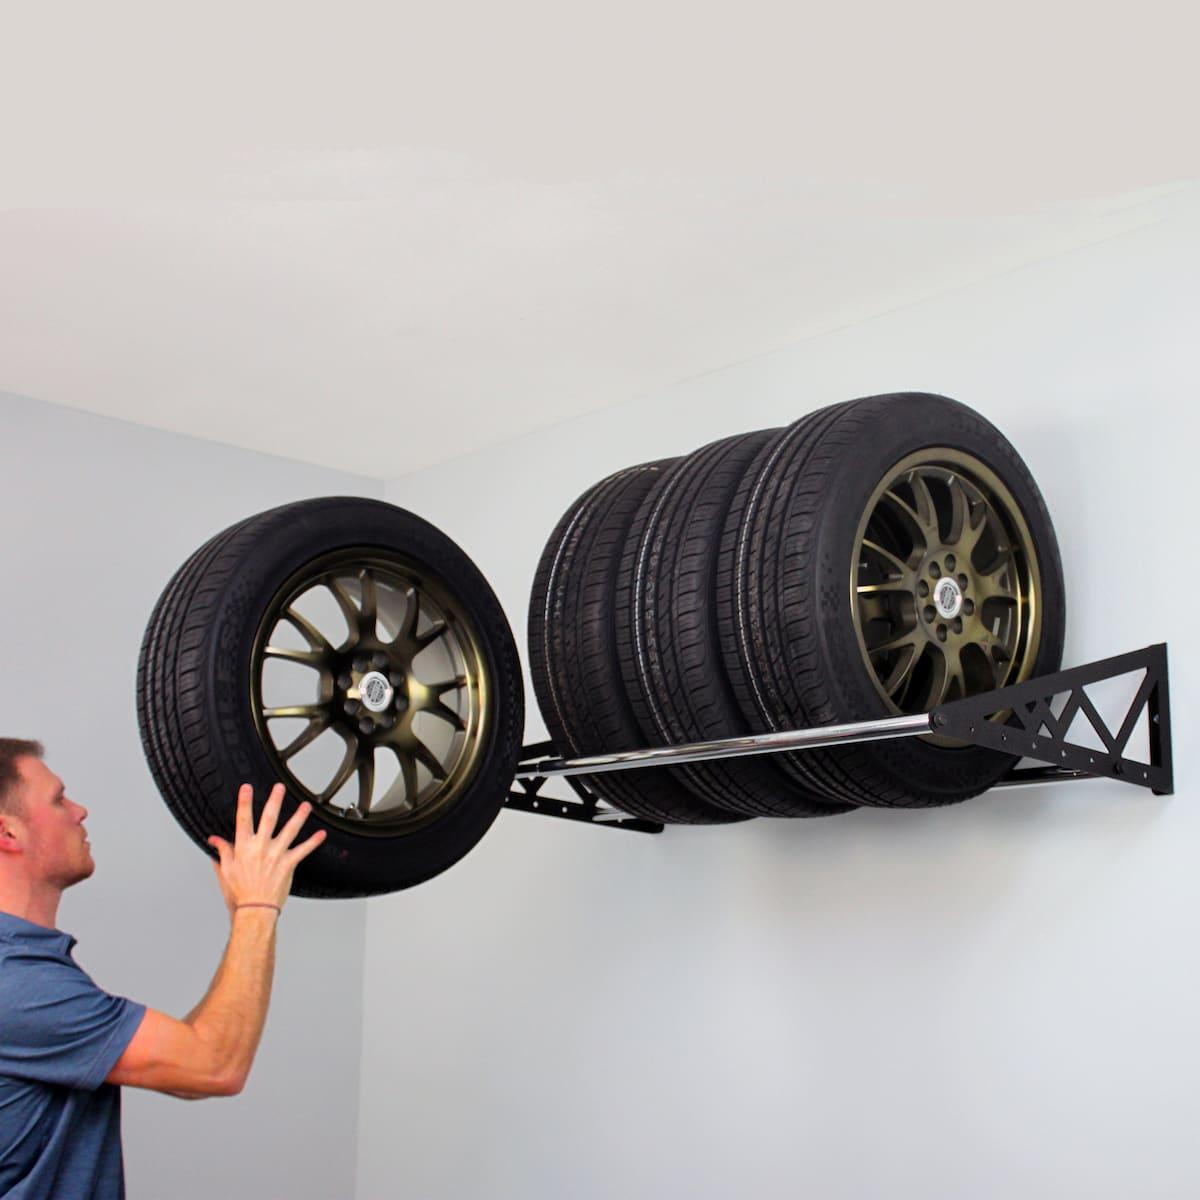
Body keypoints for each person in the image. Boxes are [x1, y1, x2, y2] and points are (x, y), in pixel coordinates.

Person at [0, 737, 327, 1199]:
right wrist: (258, 906)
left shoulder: (25, 969)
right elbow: (215, 1066)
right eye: (58, 799)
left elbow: (192, 1062)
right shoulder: (19, 986)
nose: (80, 810)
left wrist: (245, 919)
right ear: (8, 834)